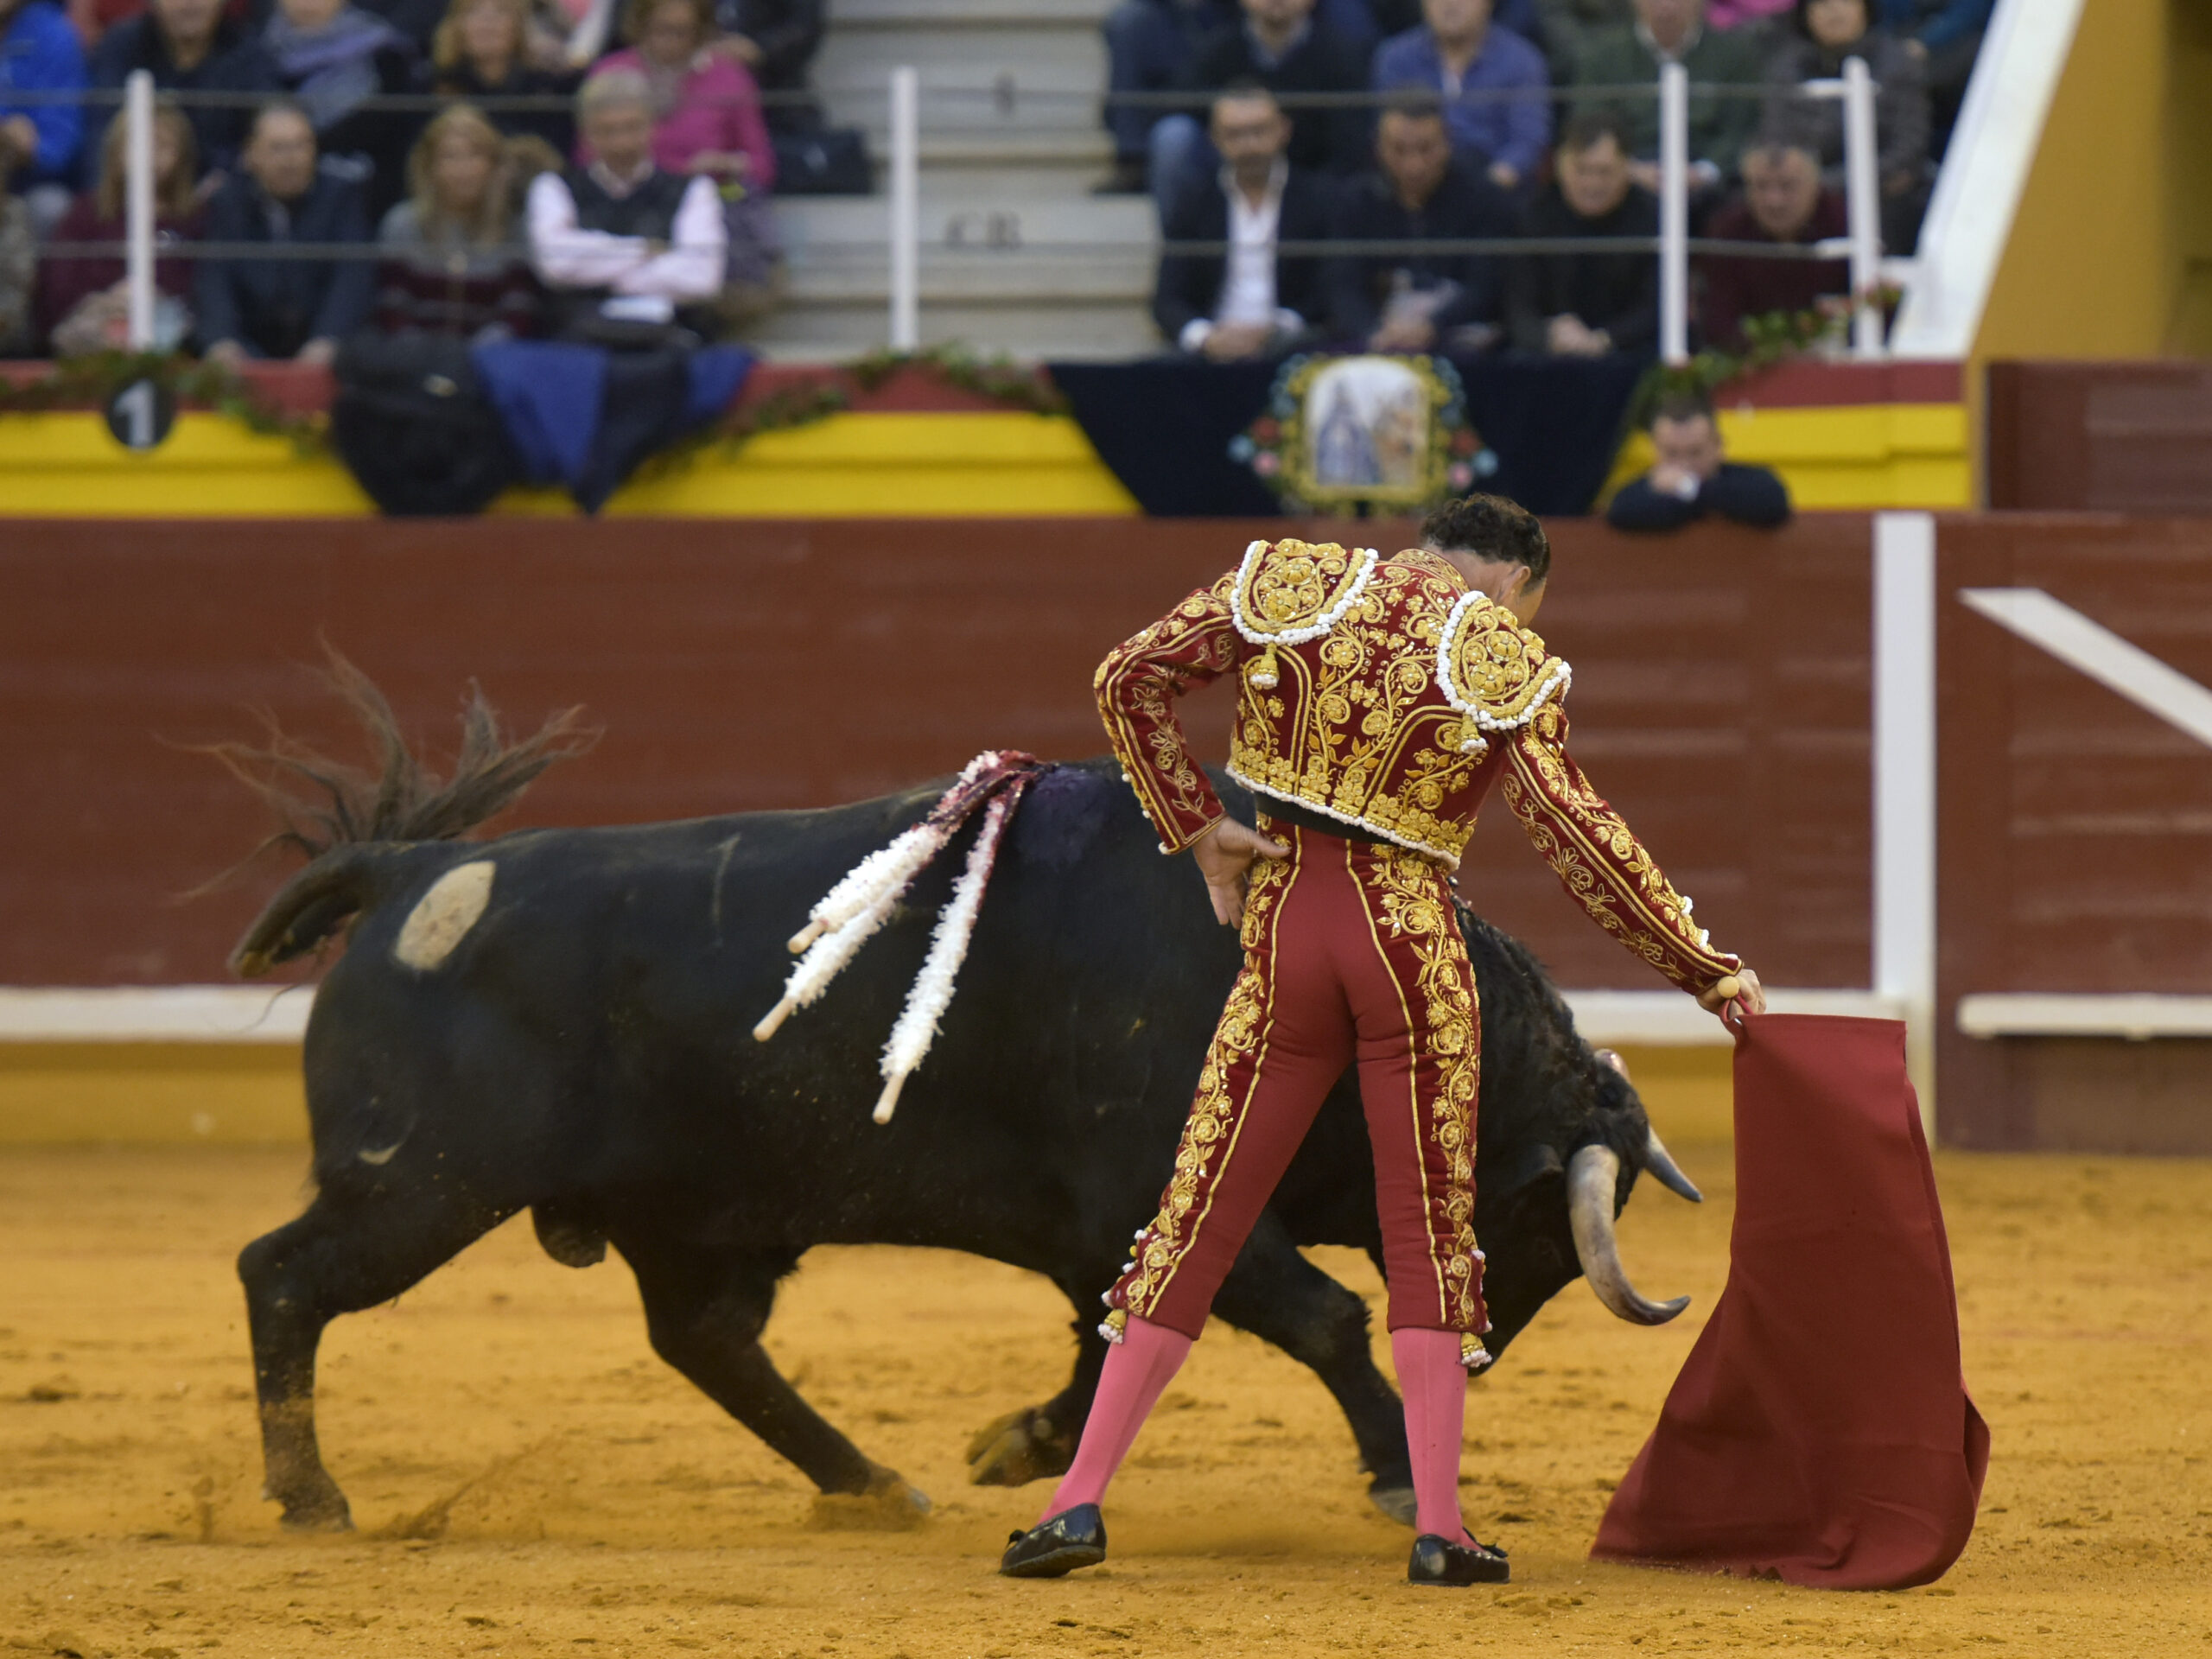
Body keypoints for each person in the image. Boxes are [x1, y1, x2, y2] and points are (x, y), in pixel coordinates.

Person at [1002, 496, 1763, 1586]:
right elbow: (1581, 839)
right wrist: (1706, 970)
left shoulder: (1293, 583)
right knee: (1425, 1233)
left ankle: (1073, 1506)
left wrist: (1198, 827)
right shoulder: (1500, 653)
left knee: (1198, 1215)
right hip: (1407, 946)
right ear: (1514, 581)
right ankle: (1439, 1528)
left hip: (1282, 931)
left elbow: (1128, 678)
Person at [527, 67, 726, 339]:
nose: (621, 143)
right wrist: (645, 250)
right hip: (578, 340)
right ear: (586, 134)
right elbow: (556, 265)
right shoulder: (554, 187)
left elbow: (701, 278)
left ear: (653, 126)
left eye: (632, 127)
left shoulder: (694, 189)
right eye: (607, 131)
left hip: (669, 336)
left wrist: (598, 275)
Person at [1323, 95, 1516, 352]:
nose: (1414, 166)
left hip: (1461, 343)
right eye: (1399, 150)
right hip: (1377, 341)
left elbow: (1485, 287)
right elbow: (1343, 286)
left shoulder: (1484, 199)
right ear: (1378, 147)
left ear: (1448, 144)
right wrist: (1372, 330)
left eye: (1426, 149)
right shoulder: (1355, 201)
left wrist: (1433, 327)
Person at [1153, 84, 1330, 359]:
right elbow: (1168, 298)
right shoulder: (1194, 201)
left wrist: (1277, 329)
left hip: (1293, 347)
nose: (1249, 145)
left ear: (1283, 130)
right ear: (1214, 138)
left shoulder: (1319, 198)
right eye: (1234, 134)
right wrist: (1207, 337)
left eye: (1259, 131)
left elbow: (1331, 289)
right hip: (1212, 351)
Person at [1147, 0, 1367, 218]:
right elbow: (1172, 104)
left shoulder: (1341, 55)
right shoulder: (1218, 50)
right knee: (1173, 135)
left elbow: (1350, 148)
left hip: (1313, 190)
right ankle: (1180, 237)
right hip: (1225, 182)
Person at [196, 99, 374, 365]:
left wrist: (328, 339)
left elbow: (352, 278)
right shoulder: (227, 203)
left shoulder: (342, 196)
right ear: (251, 154)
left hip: (323, 346)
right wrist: (223, 341)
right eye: (278, 148)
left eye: (301, 145)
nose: (292, 160)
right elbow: (214, 280)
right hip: (249, 345)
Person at [37, 100, 203, 354]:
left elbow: (204, 292)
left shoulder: (195, 219)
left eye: (163, 145)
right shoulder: (85, 213)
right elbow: (59, 290)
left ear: (182, 156)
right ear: (116, 151)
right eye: (139, 143)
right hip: (94, 336)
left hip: (170, 334)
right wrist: (108, 302)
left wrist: (157, 300)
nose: (150, 155)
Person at [1763, 0, 1926, 251]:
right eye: (1822, 4)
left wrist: (1834, 183)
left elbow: (1908, 145)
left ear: (1866, 9)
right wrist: (1805, 183)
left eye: (1846, 1)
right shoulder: (1787, 67)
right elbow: (1776, 137)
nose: (1835, 11)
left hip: (1876, 188)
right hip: (1802, 189)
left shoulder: (1898, 63)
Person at [373, 102, 543, 337]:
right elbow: (393, 307)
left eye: (474, 155)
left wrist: (477, 354)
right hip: (413, 353)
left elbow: (517, 313)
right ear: (430, 166)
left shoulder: (515, 227)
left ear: (493, 165)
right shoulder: (402, 223)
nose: (463, 169)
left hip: (489, 354)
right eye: (450, 157)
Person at [1570, 0, 1761, 199]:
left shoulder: (1735, 56)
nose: (1667, 5)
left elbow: (1740, 128)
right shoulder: (1602, 56)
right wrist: (1631, 169)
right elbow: (1589, 125)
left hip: (1711, 182)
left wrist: (1704, 171)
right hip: (1626, 181)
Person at [1504, 112, 1656, 355]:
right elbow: (1517, 308)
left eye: (1604, 171)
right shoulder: (1533, 217)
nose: (1592, 184)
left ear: (1627, 168)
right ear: (1559, 166)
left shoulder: (1652, 217)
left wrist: (1604, 339)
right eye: (1581, 170)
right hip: (1552, 354)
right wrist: (1549, 334)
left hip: (1629, 352)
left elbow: (1655, 308)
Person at [1371, 0, 1550, 199]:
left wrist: (1488, 189)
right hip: (1413, 187)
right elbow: (1387, 137)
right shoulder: (1395, 58)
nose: (1450, 4)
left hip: (1493, 190)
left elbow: (1527, 141)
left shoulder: (1522, 61)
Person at [86, 0, 281, 182]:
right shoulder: (122, 46)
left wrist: (227, 183)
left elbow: (262, 133)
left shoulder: (250, 54)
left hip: (222, 195)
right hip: (134, 187)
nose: (189, 4)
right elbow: (103, 133)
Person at [591, 0, 773, 193]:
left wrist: (728, 165)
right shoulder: (609, 73)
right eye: (660, 29)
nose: (670, 41)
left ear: (700, 32)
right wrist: (677, 173)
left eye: (681, 32)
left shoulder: (732, 78)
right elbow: (586, 158)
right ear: (641, 26)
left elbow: (763, 168)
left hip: (709, 195)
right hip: (623, 197)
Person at [261, 0, 420, 213]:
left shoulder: (383, 52)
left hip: (370, 188)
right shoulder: (257, 52)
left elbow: (390, 128)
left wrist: (313, 146)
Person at [1695, 135, 1846, 348]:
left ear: (1815, 185)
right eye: (1761, 186)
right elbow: (1717, 319)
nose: (1774, 201)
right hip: (1752, 359)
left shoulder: (1846, 225)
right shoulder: (1726, 232)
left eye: (1788, 186)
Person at [1606, 387, 1790, 529]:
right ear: (1655, 450)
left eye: (1695, 452)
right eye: (1671, 453)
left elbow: (1772, 503)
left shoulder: (1752, 481)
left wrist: (1688, 487)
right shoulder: (1643, 490)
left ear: (1718, 446)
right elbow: (1622, 512)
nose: (1684, 463)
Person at [420, 0, 579, 155]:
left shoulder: (548, 88)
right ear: (455, 25)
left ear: (519, 25)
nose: (487, 22)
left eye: (501, 11)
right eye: (473, 10)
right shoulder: (430, 86)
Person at [0, 0, 87, 230]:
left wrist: (30, 147)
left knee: (50, 206)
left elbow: (60, 147)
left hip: (30, 183)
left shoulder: (54, 35)